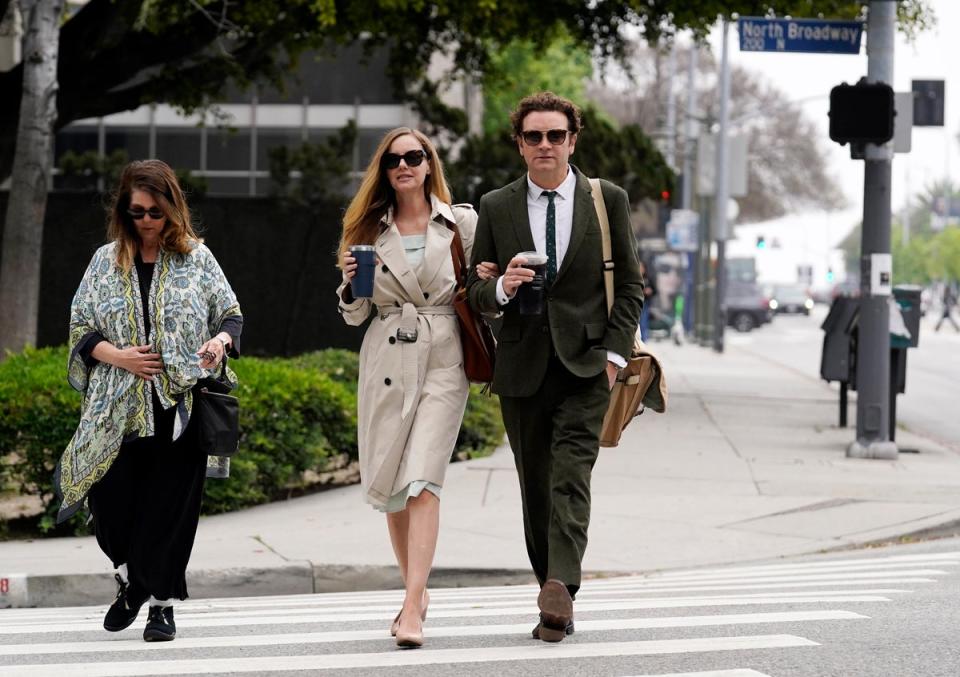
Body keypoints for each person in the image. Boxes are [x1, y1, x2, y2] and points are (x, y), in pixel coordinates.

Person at [466, 92, 643, 642]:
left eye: (556, 135)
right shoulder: (495, 206)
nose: (546, 145)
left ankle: (562, 584)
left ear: (573, 139)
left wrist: (614, 358)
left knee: (571, 475)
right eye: (534, 136)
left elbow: (631, 286)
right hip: (521, 366)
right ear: (520, 144)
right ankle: (553, 591)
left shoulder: (605, 199)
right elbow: (475, 293)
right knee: (535, 487)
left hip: (589, 364)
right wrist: (500, 286)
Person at [55, 159, 242, 643]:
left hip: (179, 404)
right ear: (124, 209)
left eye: (155, 212)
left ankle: (160, 607)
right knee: (110, 499)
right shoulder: (104, 261)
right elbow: (80, 328)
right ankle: (130, 578)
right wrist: (119, 357)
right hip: (114, 407)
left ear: (171, 210)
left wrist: (219, 342)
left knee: (169, 510)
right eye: (136, 211)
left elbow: (230, 313)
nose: (145, 220)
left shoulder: (197, 258)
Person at [336, 127, 498, 649]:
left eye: (415, 156)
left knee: (424, 479)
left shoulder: (461, 222)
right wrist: (348, 283)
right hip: (386, 353)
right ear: (383, 170)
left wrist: (492, 280)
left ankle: (412, 606)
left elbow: (479, 289)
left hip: (442, 356)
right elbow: (355, 314)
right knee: (393, 490)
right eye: (393, 159)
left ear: (429, 164)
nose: (404, 165)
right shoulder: (364, 228)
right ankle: (417, 590)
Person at [638, 259, 657, 342]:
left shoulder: (648, 279)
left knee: (644, 321)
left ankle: (644, 339)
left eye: (642, 267)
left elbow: (655, 290)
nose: (640, 269)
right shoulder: (634, 278)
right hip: (635, 303)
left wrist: (650, 291)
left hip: (645, 303)